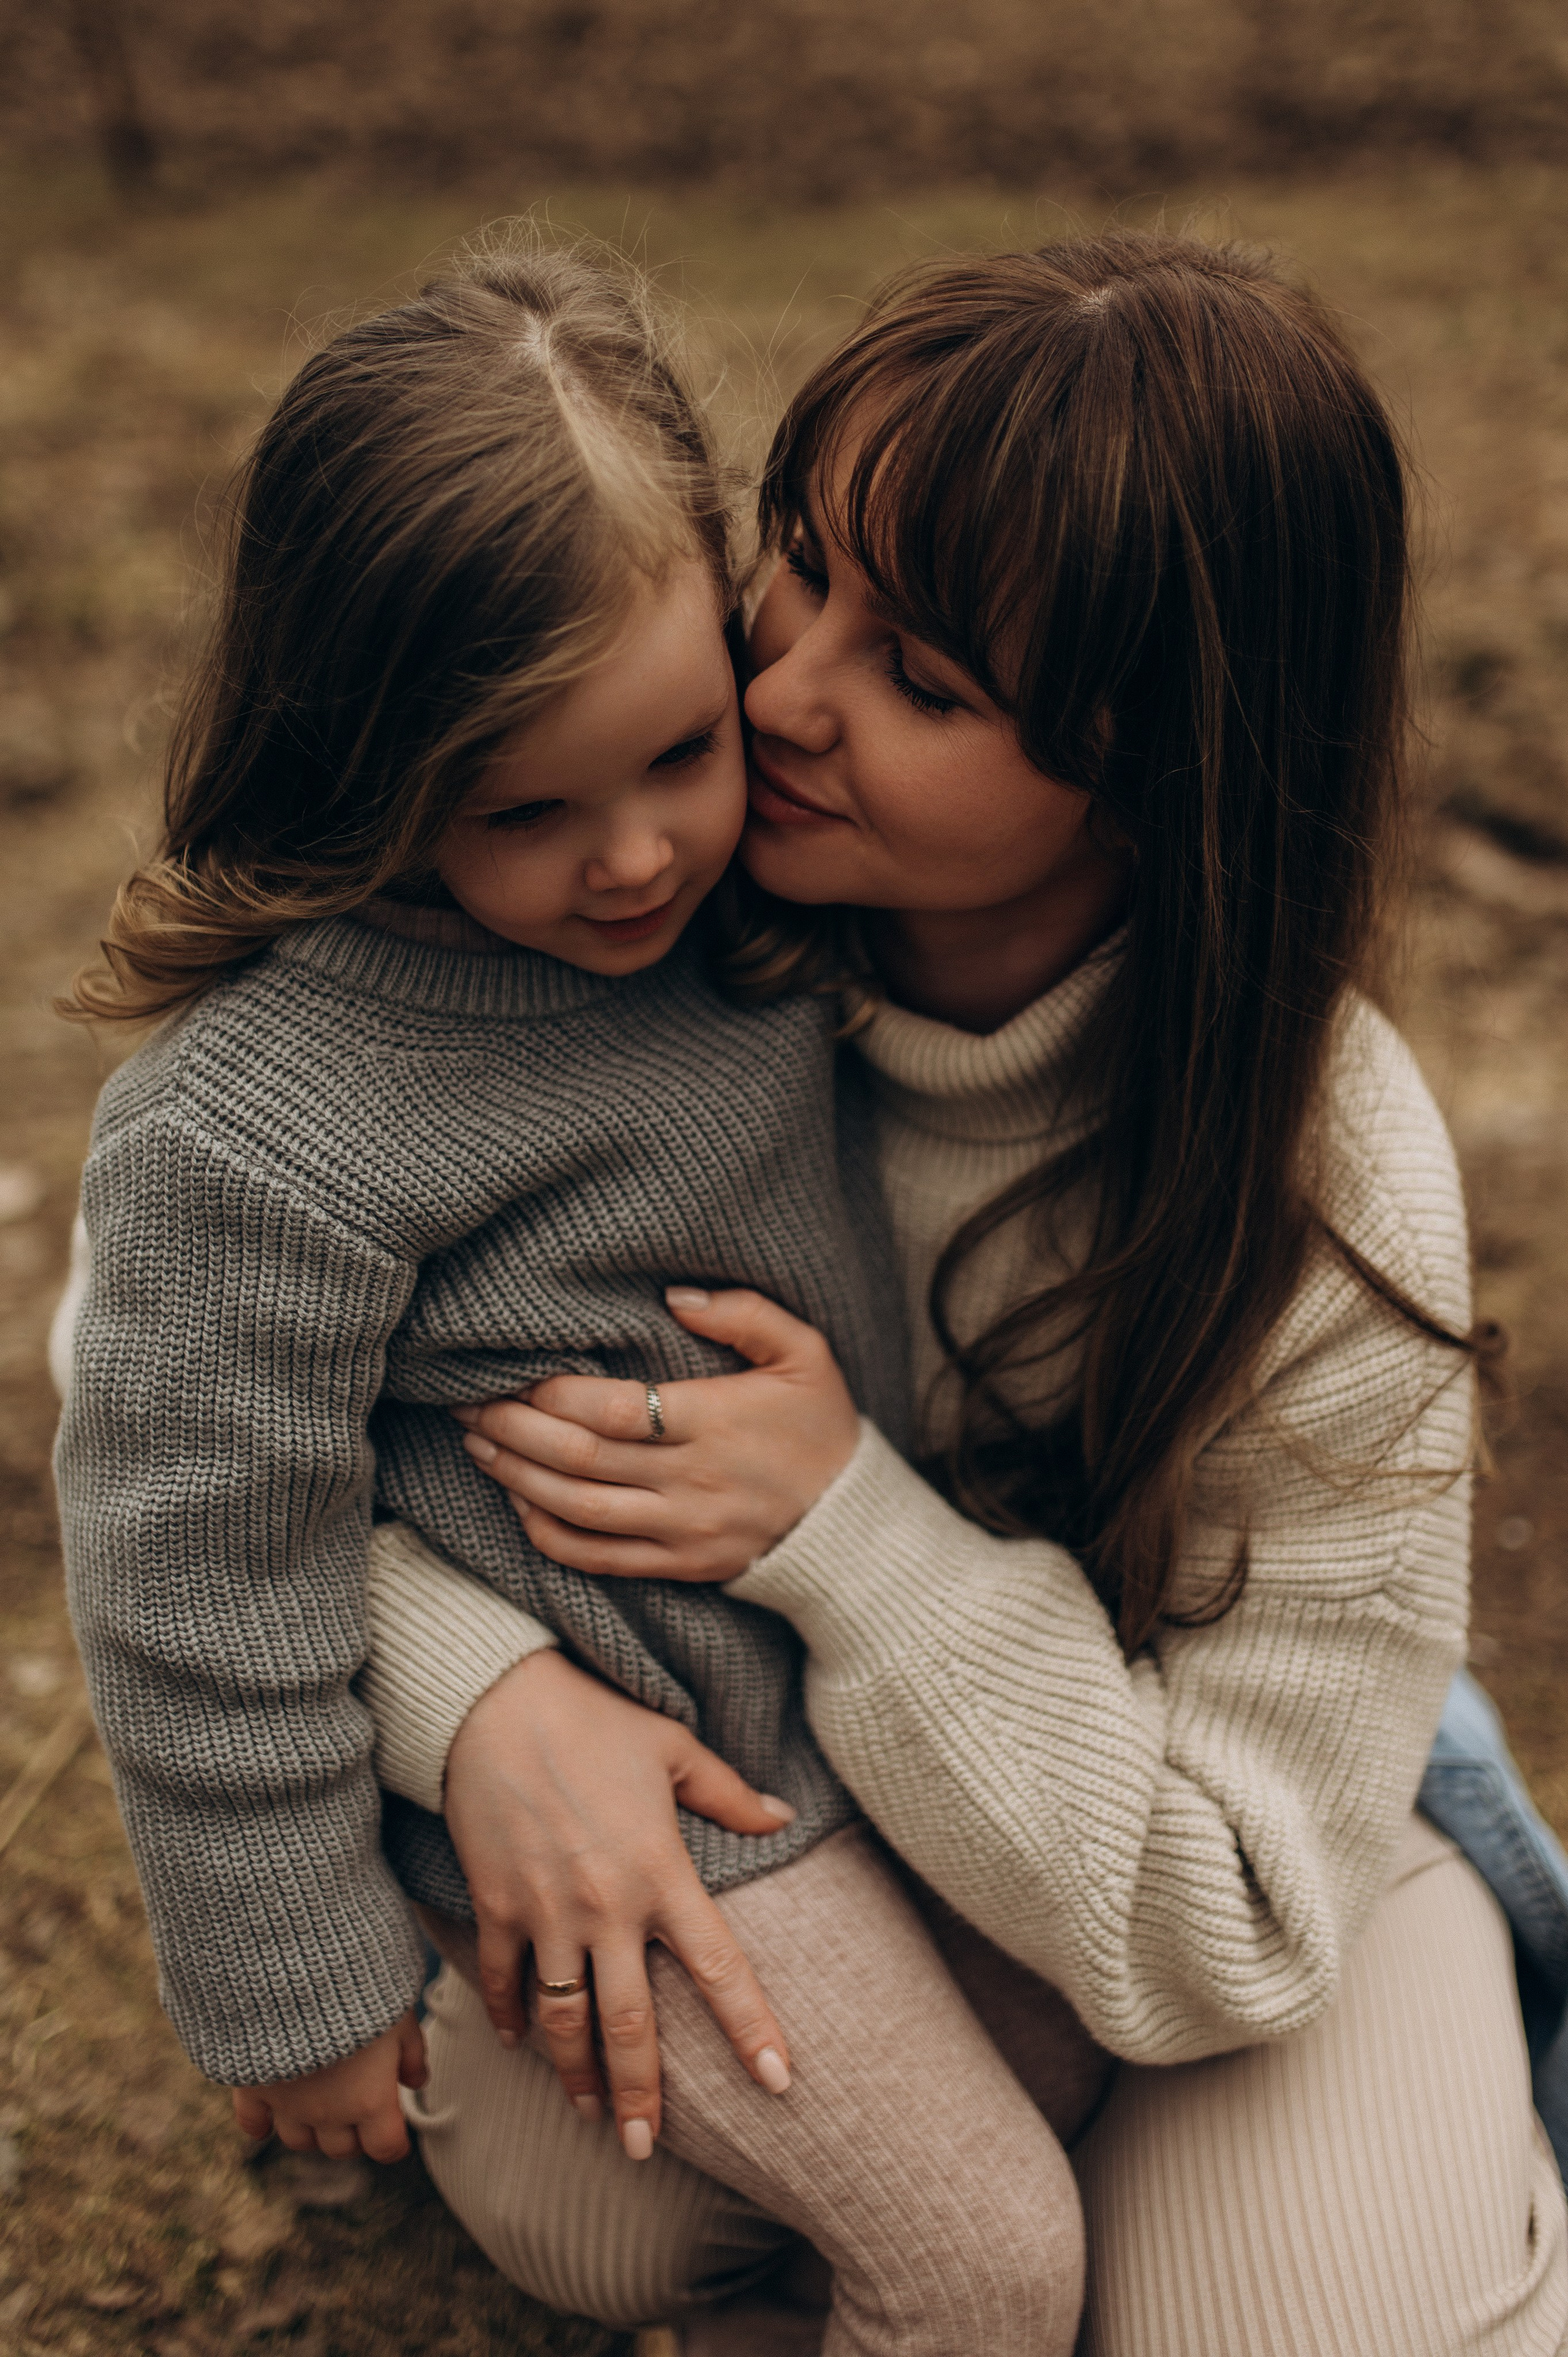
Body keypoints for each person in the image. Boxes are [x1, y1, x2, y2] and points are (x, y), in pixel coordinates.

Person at [358, 233, 1568, 2355]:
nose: (783, 696)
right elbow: (161, 1344)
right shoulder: (629, 872)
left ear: (1163, 770)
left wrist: (852, 1541)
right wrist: (474, 1698)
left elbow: (1233, 1924)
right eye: (799, 565)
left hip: (1203, 1832)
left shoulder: (1310, 1160)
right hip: (740, 1802)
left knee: (1310, 2326)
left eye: (924, 683)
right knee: (616, 2226)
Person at [52, 236, 1094, 2357]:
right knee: (994, 2270)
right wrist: (294, 1980)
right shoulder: (271, 1118)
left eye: (680, 755)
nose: (633, 858)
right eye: (526, 808)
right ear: (363, 760)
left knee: (1063, 2079)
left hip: (829, 1709)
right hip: (641, 1797)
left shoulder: (744, 928)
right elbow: (192, 1559)